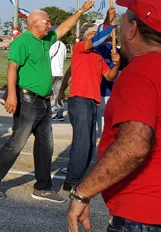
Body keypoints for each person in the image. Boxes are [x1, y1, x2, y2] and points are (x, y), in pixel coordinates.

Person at [66, 0, 161, 232]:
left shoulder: (140, 73)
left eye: (123, 21)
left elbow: (134, 147)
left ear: (132, 29)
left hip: (147, 214)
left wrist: (83, 192)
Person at [0, 1, 93, 204]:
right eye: (47, 22)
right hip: (27, 99)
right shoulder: (22, 41)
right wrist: (11, 95)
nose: (50, 26)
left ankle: (43, 187)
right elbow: (12, 68)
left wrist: (81, 11)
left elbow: (65, 28)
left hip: (43, 102)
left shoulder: (44, 40)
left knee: (45, 146)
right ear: (34, 24)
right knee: (17, 142)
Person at [55, 11, 120, 193]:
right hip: (80, 100)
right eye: (91, 34)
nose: (94, 36)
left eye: (94, 33)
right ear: (85, 36)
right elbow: (100, 37)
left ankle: (78, 177)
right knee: (82, 143)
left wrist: (116, 64)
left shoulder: (98, 56)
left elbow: (109, 75)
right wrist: (108, 21)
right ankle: (72, 181)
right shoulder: (80, 48)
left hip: (92, 101)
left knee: (90, 144)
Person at [49, 37, 68, 121]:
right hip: (59, 73)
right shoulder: (63, 45)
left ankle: (44, 113)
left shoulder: (52, 44)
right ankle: (60, 114)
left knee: (45, 94)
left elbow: (48, 56)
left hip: (51, 72)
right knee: (59, 94)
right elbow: (64, 58)